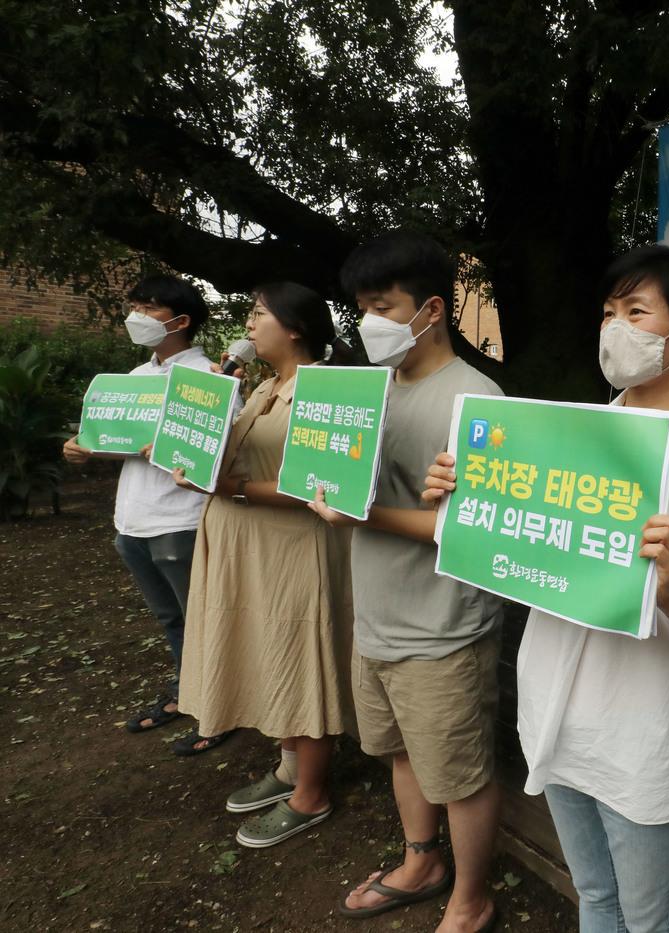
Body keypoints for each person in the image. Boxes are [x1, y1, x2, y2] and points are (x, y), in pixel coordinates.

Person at [423, 245, 669, 933]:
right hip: (557, 713)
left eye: (635, 311)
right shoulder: (569, 438)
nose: (613, 327)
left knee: (654, 918)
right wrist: (458, 496)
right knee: (593, 895)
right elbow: (506, 544)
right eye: (607, 312)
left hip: (647, 730)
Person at [306, 231, 503, 933]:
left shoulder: (476, 399)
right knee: (398, 751)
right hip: (380, 615)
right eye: (360, 306)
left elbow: (467, 531)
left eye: (382, 305)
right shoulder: (367, 393)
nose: (369, 323)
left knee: (459, 774)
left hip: (443, 627)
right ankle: (422, 860)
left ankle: (471, 897)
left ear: (431, 309)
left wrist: (366, 513)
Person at [174, 282, 358, 848]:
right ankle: (286, 770)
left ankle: (311, 793)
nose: (248, 326)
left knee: (300, 659)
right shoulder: (261, 389)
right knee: (268, 653)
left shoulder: (324, 393)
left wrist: (236, 488)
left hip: (292, 551)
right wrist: (207, 409)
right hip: (248, 548)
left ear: (296, 327)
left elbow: (319, 487)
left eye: (258, 315)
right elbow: (219, 458)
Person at [62, 276, 232, 752]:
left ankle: (218, 710)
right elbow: (117, 442)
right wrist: (83, 449)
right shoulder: (135, 380)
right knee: (170, 619)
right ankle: (186, 692)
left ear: (181, 321)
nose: (136, 316)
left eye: (149, 307)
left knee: (201, 618)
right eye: (135, 305)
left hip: (181, 519)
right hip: (132, 520)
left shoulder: (211, 381)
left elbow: (219, 456)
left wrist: (180, 446)